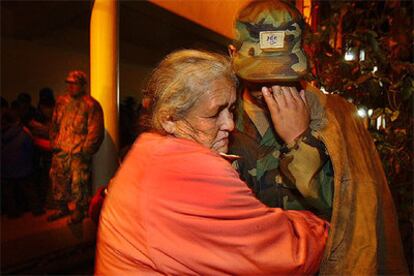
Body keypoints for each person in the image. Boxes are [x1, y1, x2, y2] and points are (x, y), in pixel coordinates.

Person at [95, 49, 329, 275]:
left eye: (231, 109)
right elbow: (289, 254)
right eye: (215, 113)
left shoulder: (148, 148)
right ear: (170, 119)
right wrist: (323, 226)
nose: (229, 124)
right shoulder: (191, 172)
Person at [227, 0, 407, 274]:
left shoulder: (336, 117)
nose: (270, 84)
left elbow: (355, 220)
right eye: (258, 73)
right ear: (233, 54)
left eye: (283, 71)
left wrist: (300, 140)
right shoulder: (216, 117)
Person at [47, 70, 104, 224]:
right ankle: (62, 207)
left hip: (78, 152)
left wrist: (85, 151)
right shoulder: (62, 101)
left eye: (75, 84)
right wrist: (54, 142)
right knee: (57, 179)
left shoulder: (91, 104)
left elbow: (95, 131)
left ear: (82, 85)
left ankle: (79, 210)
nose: (71, 87)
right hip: (61, 149)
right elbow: (54, 124)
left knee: (79, 183)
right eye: (69, 83)